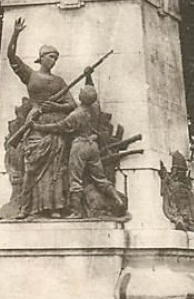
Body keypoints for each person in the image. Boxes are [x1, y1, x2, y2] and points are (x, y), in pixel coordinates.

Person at [7, 17, 76, 218]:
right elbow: (11, 56)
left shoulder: (59, 81)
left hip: (54, 125)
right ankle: (25, 207)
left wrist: (55, 105)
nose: (53, 61)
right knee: (32, 165)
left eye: (55, 58)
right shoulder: (31, 75)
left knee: (54, 167)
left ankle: (53, 207)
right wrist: (16, 33)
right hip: (35, 123)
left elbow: (72, 105)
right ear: (41, 58)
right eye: (50, 57)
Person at [33, 85, 127, 218]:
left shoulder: (76, 114)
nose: (80, 90)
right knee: (100, 178)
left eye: (82, 90)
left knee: (75, 180)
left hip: (80, 146)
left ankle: (76, 212)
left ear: (82, 97)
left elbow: (59, 127)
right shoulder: (94, 109)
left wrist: (38, 126)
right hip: (93, 146)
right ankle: (118, 200)